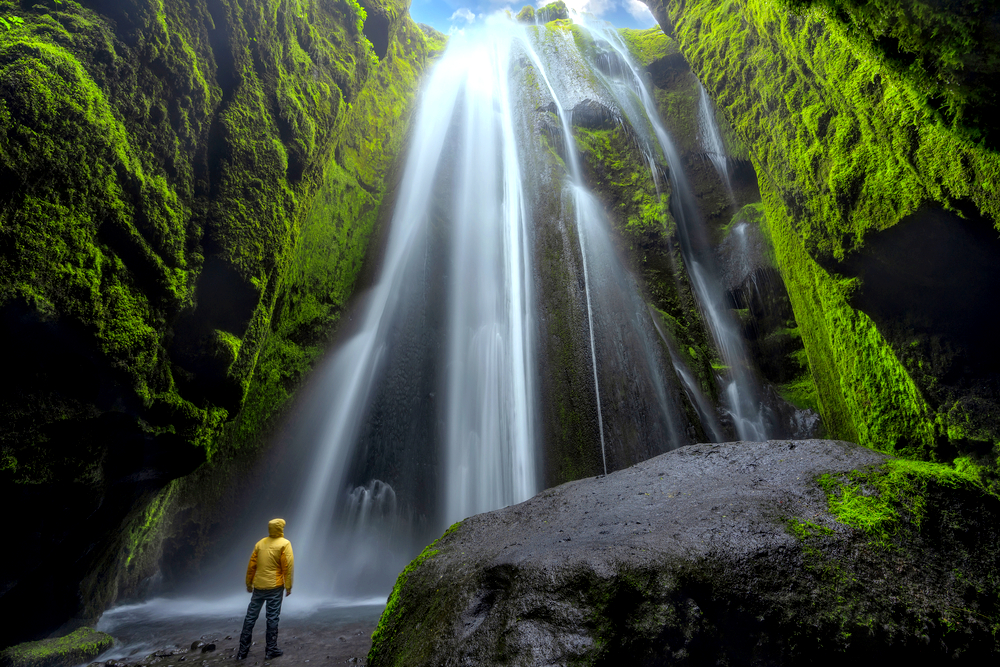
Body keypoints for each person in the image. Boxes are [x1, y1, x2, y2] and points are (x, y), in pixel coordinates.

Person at [237, 518, 294, 660]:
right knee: (272, 617)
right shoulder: (285, 544)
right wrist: (288, 586)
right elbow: (287, 566)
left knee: (250, 617)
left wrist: (249, 584)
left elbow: (251, 566)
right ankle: (271, 650)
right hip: (275, 587)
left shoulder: (260, 543)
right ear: (281, 528)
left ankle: (242, 652)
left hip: (259, 586)